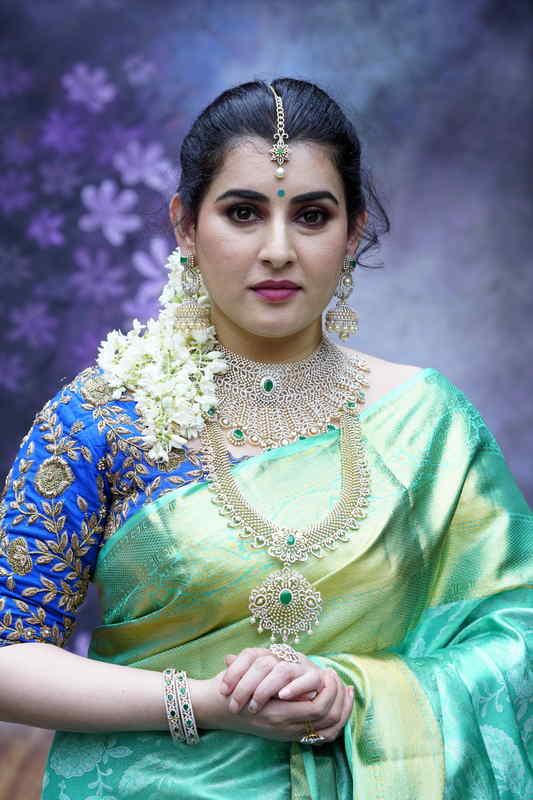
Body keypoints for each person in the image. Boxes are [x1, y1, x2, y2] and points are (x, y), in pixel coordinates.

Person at [0, 77, 531, 800]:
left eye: (311, 215)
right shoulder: (100, 420)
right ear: (186, 226)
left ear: (352, 232)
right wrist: (205, 702)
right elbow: (9, 654)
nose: (278, 250)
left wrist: (353, 692)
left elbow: (516, 634)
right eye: (243, 212)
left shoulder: (426, 421)